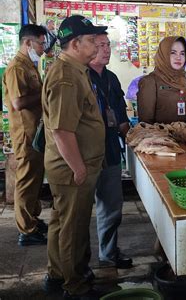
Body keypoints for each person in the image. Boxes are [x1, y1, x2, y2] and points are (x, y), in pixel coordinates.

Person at [42, 15, 107, 299]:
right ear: (75, 43)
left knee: (61, 223)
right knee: (73, 228)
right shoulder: (66, 76)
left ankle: (58, 274)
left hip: (74, 165)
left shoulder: (75, 69)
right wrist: (79, 168)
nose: (97, 45)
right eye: (91, 40)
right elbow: (62, 130)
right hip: (71, 169)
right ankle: (75, 286)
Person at [88, 32, 132, 269]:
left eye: (108, 45)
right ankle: (76, 265)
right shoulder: (80, 76)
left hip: (111, 150)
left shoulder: (112, 78)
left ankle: (108, 252)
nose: (106, 49)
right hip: (84, 154)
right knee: (78, 213)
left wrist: (136, 140)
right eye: (99, 45)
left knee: (112, 207)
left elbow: (122, 117)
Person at [2, 24, 47, 246]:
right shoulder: (17, 68)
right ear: (28, 42)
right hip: (25, 134)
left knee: (35, 179)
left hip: (35, 132)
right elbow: (18, 102)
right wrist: (44, 94)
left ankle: (32, 218)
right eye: (40, 43)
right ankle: (26, 230)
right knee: (26, 181)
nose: (43, 48)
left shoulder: (29, 64)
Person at [138, 36, 186, 124]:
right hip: (160, 135)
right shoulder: (150, 81)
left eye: (182, 53)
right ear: (164, 54)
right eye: (173, 53)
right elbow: (146, 122)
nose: (178, 57)